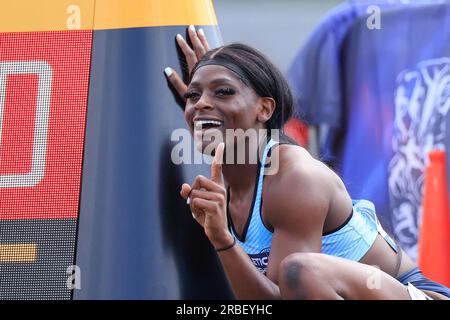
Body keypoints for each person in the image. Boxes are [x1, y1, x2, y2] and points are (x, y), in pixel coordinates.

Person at [164, 25, 450, 300]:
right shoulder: (221, 179)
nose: (200, 103)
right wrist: (213, 107)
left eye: (223, 91)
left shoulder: (295, 177)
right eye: (193, 95)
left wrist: (222, 240)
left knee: (301, 272)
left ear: (264, 108)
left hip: (419, 294)